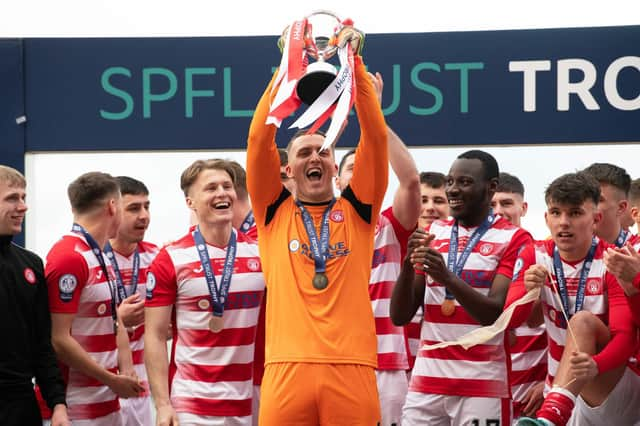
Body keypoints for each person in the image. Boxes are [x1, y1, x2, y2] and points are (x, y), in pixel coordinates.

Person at [246, 29, 388, 425]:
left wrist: (354, 67)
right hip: (285, 369)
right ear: (287, 170)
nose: (316, 156)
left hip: (352, 367)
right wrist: (286, 71)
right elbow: (259, 139)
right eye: (304, 152)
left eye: (324, 151)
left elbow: (374, 140)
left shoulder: (360, 211)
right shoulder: (272, 213)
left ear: (334, 167)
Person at [390, 150, 532, 425]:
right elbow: (400, 316)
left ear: (490, 187)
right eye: (450, 181)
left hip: (482, 384)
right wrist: (408, 265)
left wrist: (448, 278)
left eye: (464, 182)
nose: (453, 190)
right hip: (427, 382)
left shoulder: (515, 238)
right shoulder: (435, 232)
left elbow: (494, 316)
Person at [506, 172, 637, 426]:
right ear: (546, 219)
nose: (563, 222)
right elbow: (512, 320)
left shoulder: (612, 260)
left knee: (582, 323)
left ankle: (552, 415)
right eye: (556, 213)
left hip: (607, 382)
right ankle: (554, 410)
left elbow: (626, 337)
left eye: (575, 213)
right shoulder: (534, 254)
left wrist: (596, 365)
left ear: (595, 219)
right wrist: (527, 292)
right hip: (558, 388)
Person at [145, 159, 265, 425]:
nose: (222, 193)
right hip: (191, 403)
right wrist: (162, 404)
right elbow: (153, 335)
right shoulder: (171, 258)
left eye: (227, 186)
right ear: (191, 203)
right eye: (211, 188)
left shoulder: (262, 253)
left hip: (250, 401)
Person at [334, 72, 420, 426]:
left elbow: (412, 181)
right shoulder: (309, 226)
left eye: (365, 166)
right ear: (337, 178)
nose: (357, 174)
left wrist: (374, 115)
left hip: (384, 366)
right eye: (350, 168)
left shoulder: (390, 226)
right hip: (330, 360)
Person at [46, 171, 143, 425]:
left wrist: (127, 369)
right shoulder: (69, 256)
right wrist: (111, 379)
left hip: (107, 402)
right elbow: (59, 339)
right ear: (113, 206)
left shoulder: (98, 254)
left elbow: (114, 320)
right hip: (75, 406)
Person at [0, 166, 69, 426]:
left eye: (23, 197)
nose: (23, 206)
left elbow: (42, 343)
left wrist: (58, 403)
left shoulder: (30, 264)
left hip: (21, 402)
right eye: (12, 198)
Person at [492, 172, 547, 420]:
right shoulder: (473, 260)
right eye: (492, 204)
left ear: (523, 208)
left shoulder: (545, 256)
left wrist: (551, 382)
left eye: (506, 203)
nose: (498, 211)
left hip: (532, 401)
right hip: (485, 391)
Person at [106, 176, 159, 426]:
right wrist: (117, 320)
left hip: (143, 388)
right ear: (113, 209)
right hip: (101, 386)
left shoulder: (157, 257)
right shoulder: (92, 258)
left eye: (146, 206)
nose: (144, 215)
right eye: (134, 208)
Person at [405, 171, 450, 373]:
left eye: (439, 200)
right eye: (423, 200)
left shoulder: (458, 253)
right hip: (395, 365)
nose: (430, 207)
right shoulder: (391, 244)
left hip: (437, 367)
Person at [582, 163, 633, 247]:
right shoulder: (557, 250)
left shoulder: (636, 251)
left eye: (596, 200)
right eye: (581, 199)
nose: (583, 207)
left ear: (620, 208)